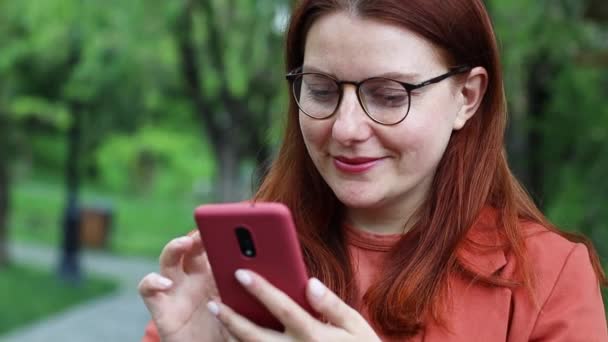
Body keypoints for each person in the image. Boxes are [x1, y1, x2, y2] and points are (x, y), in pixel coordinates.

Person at [138, 0, 608, 340]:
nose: (345, 127)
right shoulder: (245, 257)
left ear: (467, 97)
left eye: (389, 95)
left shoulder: (549, 278)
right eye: (321, 90)